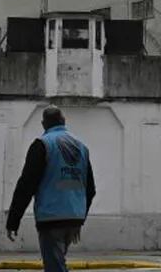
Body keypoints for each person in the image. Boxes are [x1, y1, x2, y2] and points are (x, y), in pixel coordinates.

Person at [6, 106, 96, 272]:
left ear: (43, 124)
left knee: (55, 267)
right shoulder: (82, 147)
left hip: (51, 218)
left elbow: (26, 185)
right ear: (64, 121)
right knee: (57, 264)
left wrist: (13, 220)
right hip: (73, 219)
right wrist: (79, 216)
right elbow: (90, 189)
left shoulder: (43, 145)